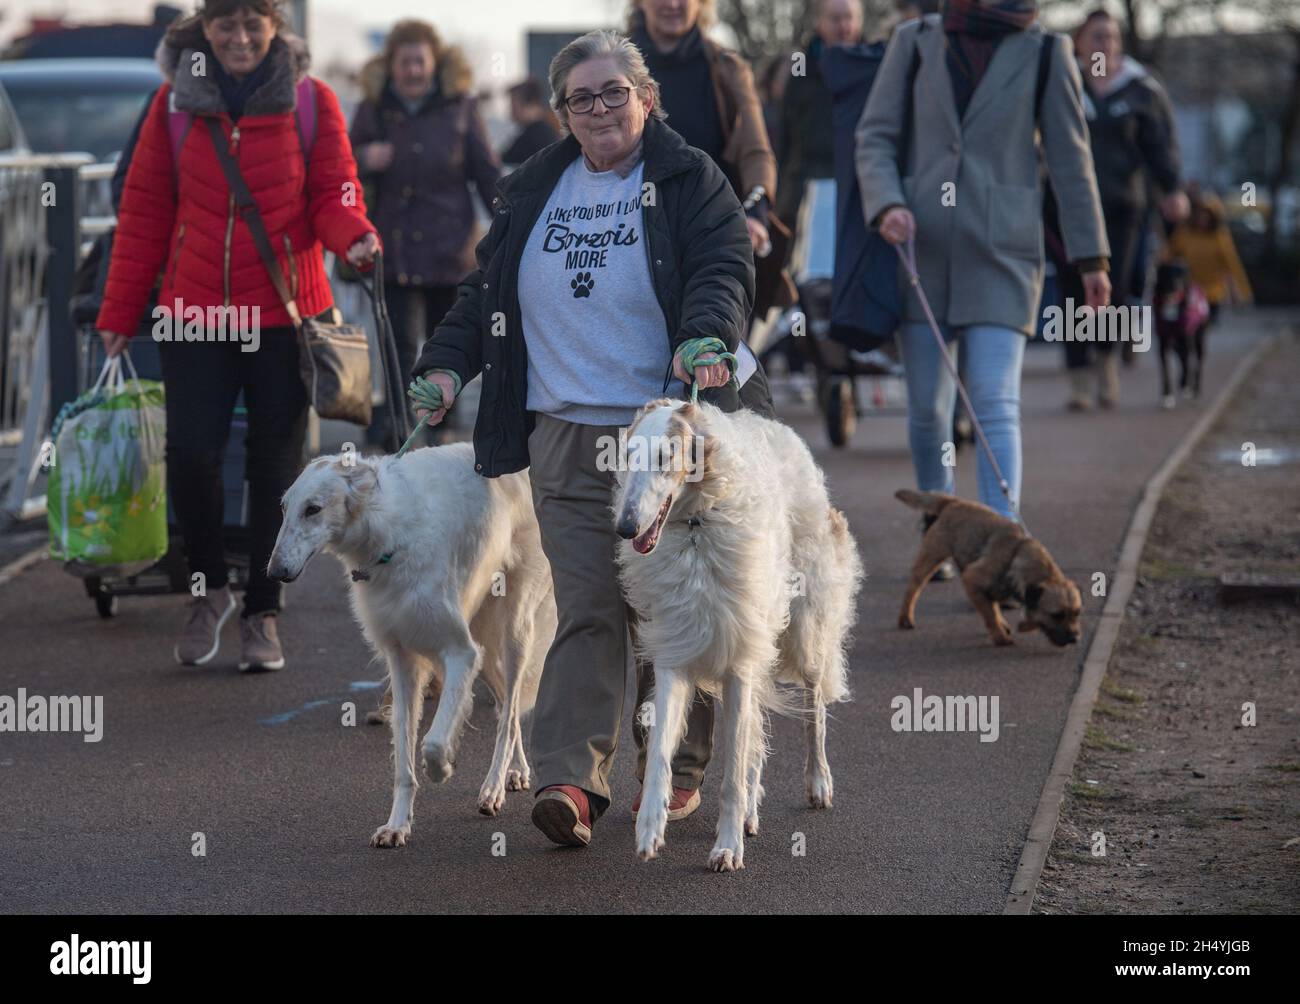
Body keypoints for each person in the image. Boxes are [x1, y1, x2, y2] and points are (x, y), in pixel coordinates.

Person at [408, 29, 766, 847]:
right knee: (588, 604)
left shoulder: (687, 179)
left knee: (673, 609)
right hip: (563, 430)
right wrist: (443, 369)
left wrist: (707, 334)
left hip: (663, 435)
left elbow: (721, 265)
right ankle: (572, 778)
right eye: (581, 97)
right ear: (561, 111)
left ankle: (675, 762)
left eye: (614, 92)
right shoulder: (534, 187)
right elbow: (483, 297)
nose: (599, 108)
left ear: (647, 98)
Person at [94, 0, 379, 671]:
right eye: (226, 23)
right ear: (205, 29)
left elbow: (333, 193)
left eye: (254, 22)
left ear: (276, 26)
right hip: (193, 315)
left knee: (274, 468)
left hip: (282, 315)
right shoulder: (173, 104)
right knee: (191, 454)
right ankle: (207, 589)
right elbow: (142, 211)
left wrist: (357, 237)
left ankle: (262, 611)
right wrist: (117, 311)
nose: (241, 36)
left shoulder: (311, 101)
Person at [857, 0, 1109, 530]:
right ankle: (941, 520)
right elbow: (875, 135)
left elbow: (1071, 160)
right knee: (928, 408)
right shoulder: (914, 41)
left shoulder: (1047, 52)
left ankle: (1001, 537)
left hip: (1003, 251)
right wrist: (886, 202)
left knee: (994, 400)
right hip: (920, 249)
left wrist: (1091, 259)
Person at [349, 19, 500, 447]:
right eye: (405, 61)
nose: (413, 70)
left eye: (420, 61)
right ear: (391, 65)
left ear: (435, 64)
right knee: (396, 349)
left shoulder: (461, 107)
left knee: (448, 348)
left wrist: (509, 224)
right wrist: (363, 157)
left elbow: (486, 173)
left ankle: (444, 433)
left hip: (449, 254)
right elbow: (338, 167)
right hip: (392, 252)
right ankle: (398, 432)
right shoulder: (373, 108)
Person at [1061, 7, 1187, 410]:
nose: (1105, 44)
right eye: (1096, 37)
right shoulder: (1063, 83)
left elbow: (1158, 145)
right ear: (1078, 43)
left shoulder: (1139, 89)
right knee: (1070, 288)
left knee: (1110, 288)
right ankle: (1079, 377)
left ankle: (1106, 361)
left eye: (1111, 37)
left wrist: (1172, 188)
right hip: (1065, 205)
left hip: (1122, 205)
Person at [776, 0, 865, 231]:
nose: (844, 26)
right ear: (820, 23)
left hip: (859, 194)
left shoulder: (873, 67)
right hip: (805, 191)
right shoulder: (801, 69)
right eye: (836, 19)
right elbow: (784, 138)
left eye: (850, 18)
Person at [1164, 191, 1253, 325]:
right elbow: (1168, 255)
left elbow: (1232, 265)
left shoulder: (1220, 238)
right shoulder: (1185, 233)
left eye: (1207, 215)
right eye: (1200, 214)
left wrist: (1242, 292)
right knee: (1187, 326)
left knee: (1203, 328)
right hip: (1190, 292)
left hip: (1213, 294)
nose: (1203, 219)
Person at [501, 77, 562, 166]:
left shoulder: (535, 134)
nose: (510, 110)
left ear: (531, 104)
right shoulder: (542, 129)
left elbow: (504, 160)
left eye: (513, 104)